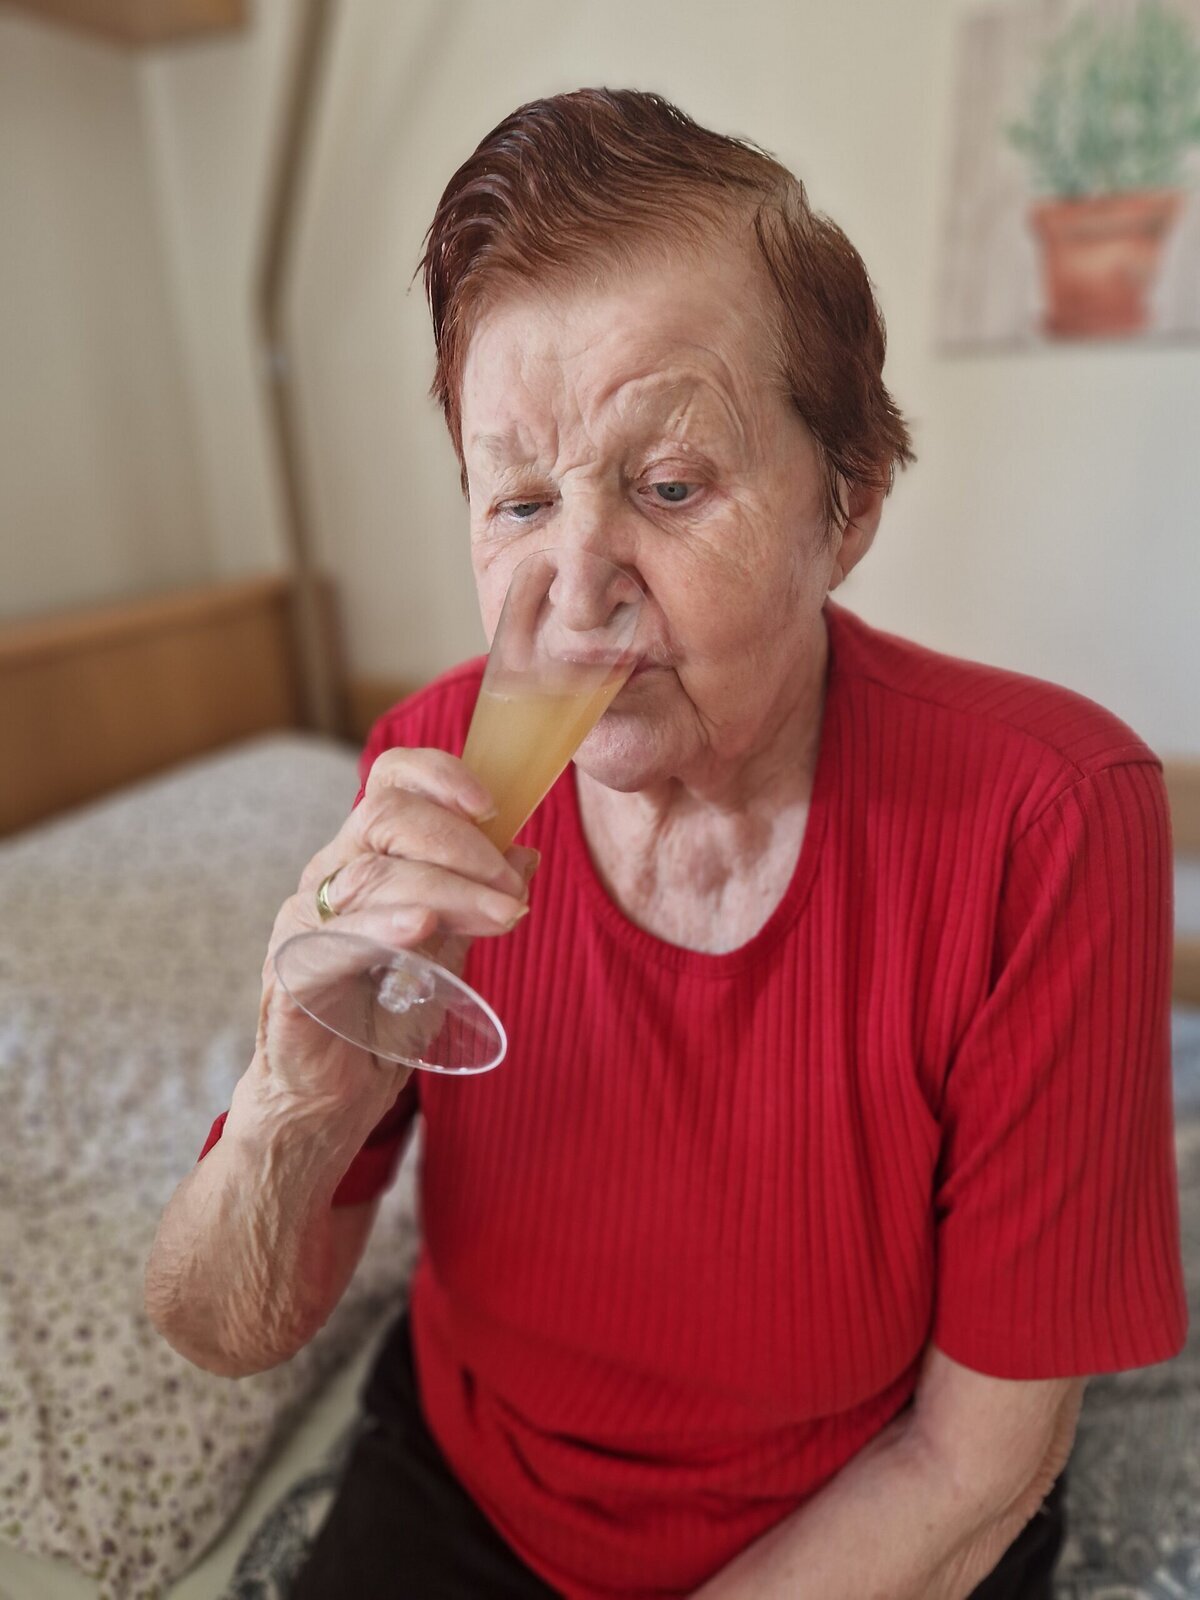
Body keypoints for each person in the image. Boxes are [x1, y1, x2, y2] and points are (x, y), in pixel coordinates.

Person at [145, 89, 1186, 1600]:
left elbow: (978, 1464)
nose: (576, 591)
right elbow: (217, 1328)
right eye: (517, 500)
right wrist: (291, 1104)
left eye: (671, 486)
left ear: (848, 505)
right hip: (473, 1491)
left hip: (859, 1521)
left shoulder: (1050, 817)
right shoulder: (432, 774)